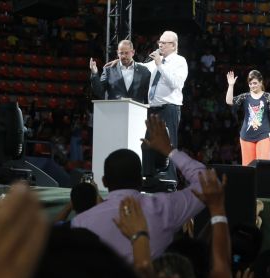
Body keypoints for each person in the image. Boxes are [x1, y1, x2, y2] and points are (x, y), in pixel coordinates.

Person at [71, 115, 206, 261]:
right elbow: (207, 184)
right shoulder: (165, 207)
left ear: (104, 181)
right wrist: (169, 150)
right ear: (140, 181)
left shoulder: (82, 222)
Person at [142, 30, 188, 182]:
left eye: (163, 42)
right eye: (159, 42)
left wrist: (160, 65)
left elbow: (176, 83)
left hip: (169, 108)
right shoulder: (156, 62)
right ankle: (149, 177)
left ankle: (169, 180)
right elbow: (140, 67)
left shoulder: (179, 61)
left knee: (168, 144)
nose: (159, 44)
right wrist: (124, 62)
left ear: (173, 45)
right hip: (152, 109)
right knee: (148, 145)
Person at [225, 70, 270, 165]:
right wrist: (231, 85)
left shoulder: (267, 96)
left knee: (263, 167)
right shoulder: (245, 96)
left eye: (255, 83)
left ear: (261, 82)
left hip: (264, 136)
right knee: (248, 168)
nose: (252, 85)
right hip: (246, 137)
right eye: (250, 83)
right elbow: (229, 101)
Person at [89, 40, 151, 105]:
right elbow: (99, 91)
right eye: (121, 53)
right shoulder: (109, 70)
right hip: (115, 111)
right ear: (117, 53)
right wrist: (94, 73)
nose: (124, 56)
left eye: (126, 53)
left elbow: (148, 95)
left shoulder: (144, 71)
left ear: (133, 52)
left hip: (136, 112)